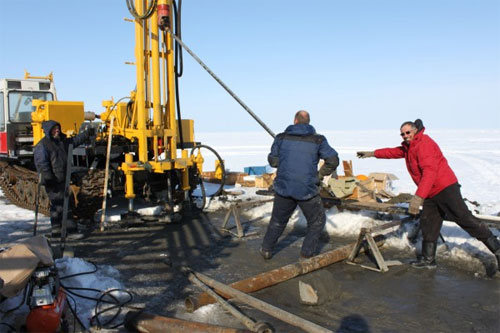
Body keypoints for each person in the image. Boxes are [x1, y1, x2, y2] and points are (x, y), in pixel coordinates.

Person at [357, 119, 500, 272]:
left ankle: (497, 250)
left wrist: (418, 197)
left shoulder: (424, 144)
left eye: (408, 133)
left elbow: (429, 173)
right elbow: (393, 152)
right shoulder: (409, 146)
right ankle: (428, 260)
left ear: (415, 131)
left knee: (464, 218)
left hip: (445, 188)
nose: (405, 136)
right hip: (431, 192)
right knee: (429, 222)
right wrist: (373, 154)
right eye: (402, 134)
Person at [260, 110, 339, 260]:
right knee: (317, 221)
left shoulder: (281, 138)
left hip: (284, 188)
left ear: (295, 121)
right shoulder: (318, 140)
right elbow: (333, 160)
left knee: (277, 220)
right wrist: (319, 176)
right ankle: (307, 253)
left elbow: (273, 161)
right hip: (307, 189)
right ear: (308, 122)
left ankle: (266, 249)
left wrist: (284, 159)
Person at [34, 120, 94, 252]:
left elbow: (75, 141)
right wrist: (49, 178)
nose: (56, 131)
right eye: (54, 129)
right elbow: (41, 163)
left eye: (57, 128)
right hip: (52, 180)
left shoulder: (62, 142)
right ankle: (71, 231)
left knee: (57, 204)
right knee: (64, 204)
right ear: (48, 130)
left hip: (62, 178)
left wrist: (86, 134)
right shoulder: (43, 145)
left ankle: (56, 229)